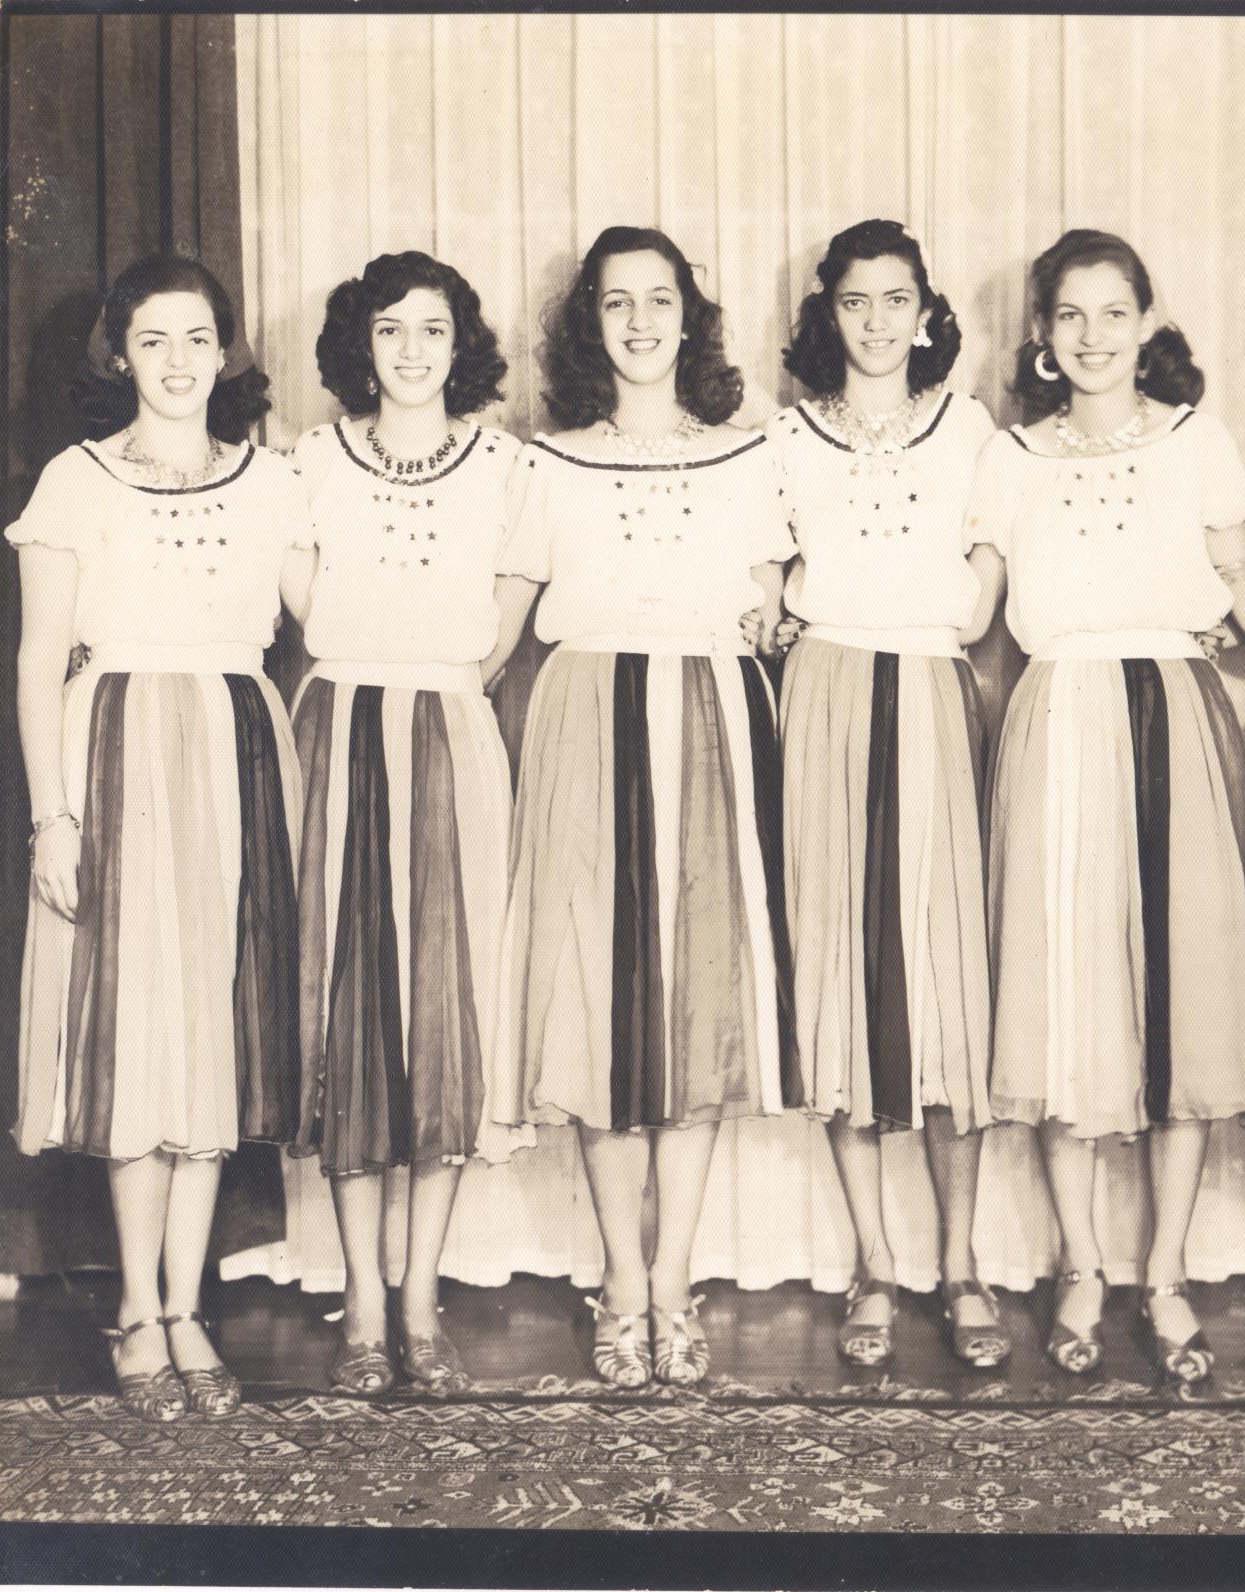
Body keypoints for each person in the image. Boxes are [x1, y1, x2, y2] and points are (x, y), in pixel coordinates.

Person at [964, 230, 1245, 1384]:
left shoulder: (1193, 441)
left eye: (1113, 312)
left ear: (1146, 322)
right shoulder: (1008, 455)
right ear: (1039, 334)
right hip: (1056, 719)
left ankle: (1162, 1271)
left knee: (1180, 994)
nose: (1092, 336)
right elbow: (967, 606)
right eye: (1068, 314)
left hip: (1173, 717)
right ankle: (1080, 1262)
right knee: (1064, 998)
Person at [485, 227, 797, 1389]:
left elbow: (770, 608)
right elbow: (499, 624)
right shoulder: (546, 463)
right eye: (615, 302)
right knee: (598, 1005)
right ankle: (621, 1279)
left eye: (658, 298)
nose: (638, 321)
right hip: (584, 719)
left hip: (711, 720)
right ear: (590, 325)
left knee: (698, 999)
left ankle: (674, 1281)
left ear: (688, 317)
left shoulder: (747, 454)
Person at [10, 254, 305, 1420]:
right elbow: (38, 661)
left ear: (224, 352)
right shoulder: (75, 481)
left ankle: (189, 1309)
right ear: (120, 355)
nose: (177, 361)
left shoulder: (275, 481)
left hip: (238, 755)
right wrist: (54, 816)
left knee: (213, 1036)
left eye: (196, 338)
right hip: (118, 757)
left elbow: (341, 612)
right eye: (152, 339)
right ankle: (137, 1308)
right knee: (137, 1039)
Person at [765, 219, 1010, 1369]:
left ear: (925, 312)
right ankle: (872, 1261)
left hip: (927, 689)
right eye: (854, 299)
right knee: (841, 976)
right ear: (829, 313)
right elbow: (764, 572)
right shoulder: (786, 436)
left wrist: (963, 600)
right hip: (824, 693)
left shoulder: (969, 429)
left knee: (942, 979)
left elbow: (990, 563)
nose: (875, 319)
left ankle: (959, 1263)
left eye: (895, 298)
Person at [278, 251, 519, 1396]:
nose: (412, 350)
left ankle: (420, 1296)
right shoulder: (311, 460)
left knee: (441, 1010)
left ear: (458, 345)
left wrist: (436, 681)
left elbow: (505, 619)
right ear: (359, 346)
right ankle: (363, 1305)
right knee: (351, 1008)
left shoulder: (505, 466)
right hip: (337, 729)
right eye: (389, 329)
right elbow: (301, 599)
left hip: (451, 732)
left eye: (432, 328)